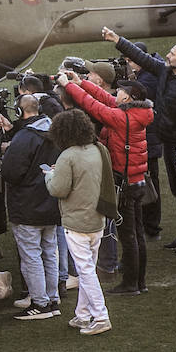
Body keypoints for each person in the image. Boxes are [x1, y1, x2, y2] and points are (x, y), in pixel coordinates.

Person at [104, 28, 176, 255]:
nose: (167, 55)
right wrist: (118, 40)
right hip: (170, 143)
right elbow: (142, 58)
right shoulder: (166, 73)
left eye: (172, 53)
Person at [60, 71, 155, 295]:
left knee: (128, 236)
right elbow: (103, 97)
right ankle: (139, 281)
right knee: (137, 233)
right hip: (137, 181)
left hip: (126, 185)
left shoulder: (123, 118)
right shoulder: (135, 112)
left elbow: (93, 106)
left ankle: (131, 284)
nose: (117, 92)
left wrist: (68, 85)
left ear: (129, 97)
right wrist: (79, 82)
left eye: (121, 90)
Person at [46, 110, 114, 335]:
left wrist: (48, 175)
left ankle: (101, 316)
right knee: (88, 269)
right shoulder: (98, 150)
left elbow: (58, 189)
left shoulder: (67, 156)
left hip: (76, 223)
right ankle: (83, 315)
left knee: (85, 271)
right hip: (97, 219)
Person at [0, 96, 62, 320]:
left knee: (32, 257)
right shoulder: (55, 131)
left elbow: (10, 172)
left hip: (27, 206)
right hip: (51, 203)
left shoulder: (25, 137)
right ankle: (52, 299)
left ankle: (40, 303)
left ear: (19, 111)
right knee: (49, 253)